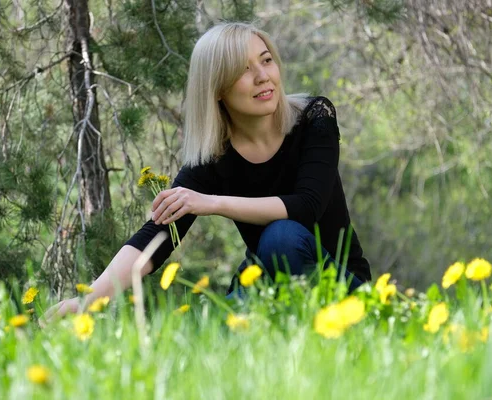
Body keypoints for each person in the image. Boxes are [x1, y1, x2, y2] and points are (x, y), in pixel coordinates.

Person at [42, 22, 371, 322]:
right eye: (243, 70)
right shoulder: (213, 156)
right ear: (217, 88)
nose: (263, 76)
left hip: (343, 287)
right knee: (203, 334)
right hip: (265, 284)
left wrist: (211, 202)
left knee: (281, 236)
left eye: (266, 60)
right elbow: (156, 236)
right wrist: (88, 300)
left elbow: (307, 205)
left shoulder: (315, 118)